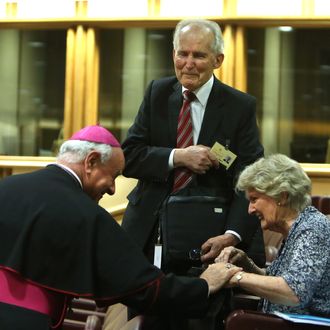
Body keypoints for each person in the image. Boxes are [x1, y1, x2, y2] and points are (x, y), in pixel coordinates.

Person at [0, 124, 242, 330]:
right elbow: (144, 288)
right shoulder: (88, 215)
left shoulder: (6, 187)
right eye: (114, 176)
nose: (113, 189)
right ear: (91, 161)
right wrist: (204, 284)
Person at [121, 17, 265, 330]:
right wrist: (178, 157)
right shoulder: (157, 93)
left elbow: (251, 177)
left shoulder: (239, 106)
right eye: (182, 54)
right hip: (153, 236)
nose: (188, 63)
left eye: (199, 56)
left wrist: (233, 235)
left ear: (218, 60)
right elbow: (129, 157)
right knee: (153, 321)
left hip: (209, 239)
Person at [216, 154, 330, 317]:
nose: (250, 210)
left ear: (282, 196)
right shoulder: (297, 229)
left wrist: (235, 276)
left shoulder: (312, 228)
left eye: (254, 199)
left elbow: (293, 292)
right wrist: (245, 263)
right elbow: (278, 282)